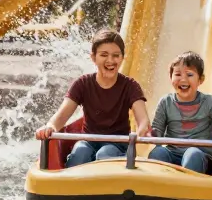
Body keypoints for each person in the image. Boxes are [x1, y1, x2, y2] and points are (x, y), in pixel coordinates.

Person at [35, 29, 151, 165]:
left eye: (116, 55)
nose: (110, 60)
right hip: (88, 140)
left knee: (105, 154)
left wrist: (141, 130)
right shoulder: (82, 84)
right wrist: (50, 126)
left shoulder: (130, 86)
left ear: (122, 58)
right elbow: (61, 116)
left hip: (118, 144)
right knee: (80, 153)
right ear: (93, 57)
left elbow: (143, 120)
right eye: (104, 55)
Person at [148, 52, 212, 174]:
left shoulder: (208, 102)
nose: (183, 79)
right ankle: (157, 187)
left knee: (192, 154)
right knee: (157, 152)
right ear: (171, 78)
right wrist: (149, 133)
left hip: (201, 157)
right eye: (177, 74)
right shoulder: (166, 102)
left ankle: (187, 189)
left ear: (200, 80)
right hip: (174, 154)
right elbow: (156, 131)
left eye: (189, 74)